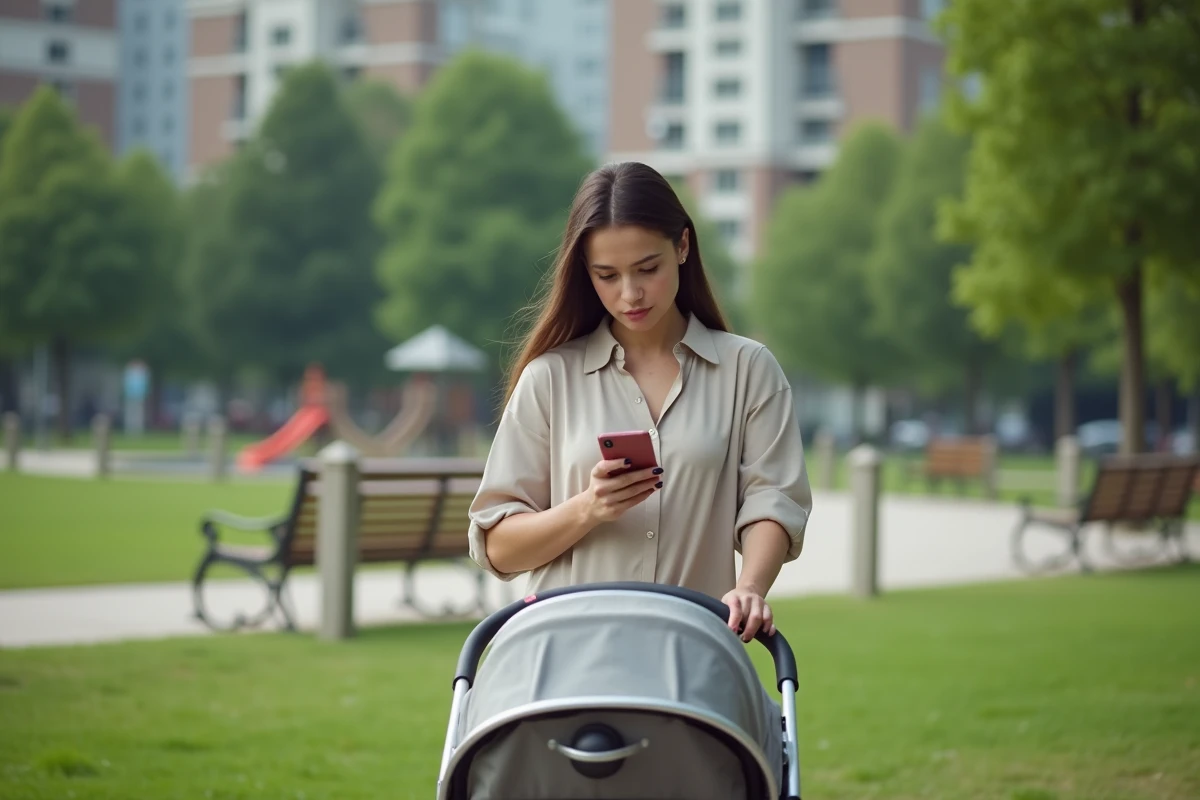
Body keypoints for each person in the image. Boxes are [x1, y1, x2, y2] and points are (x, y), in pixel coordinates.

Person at [467, 161, 812, 643]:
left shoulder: (749, 370)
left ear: (683, 246)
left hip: (693, 655)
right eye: (607, 275)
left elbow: (772, 501)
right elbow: (498, 546)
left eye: (647, 268)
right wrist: (588, 507)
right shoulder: (549, 378)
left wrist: (750, 587)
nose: (630, 294)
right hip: (566, 655)